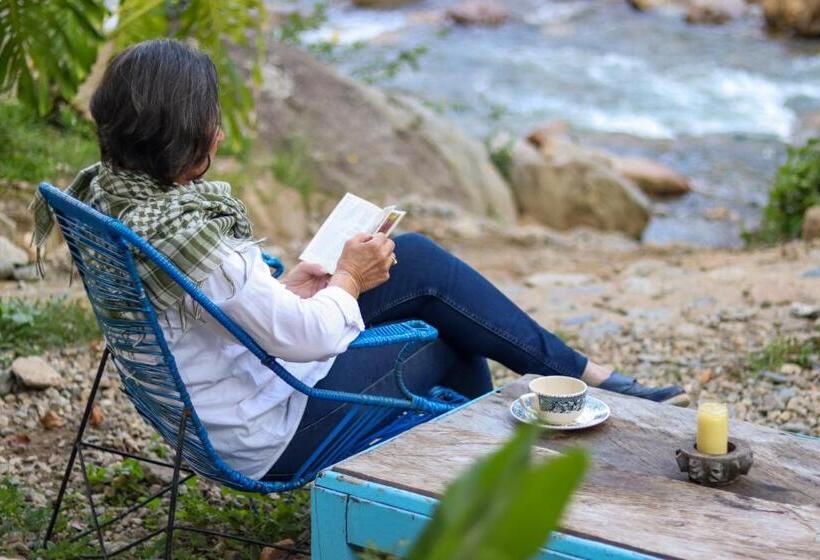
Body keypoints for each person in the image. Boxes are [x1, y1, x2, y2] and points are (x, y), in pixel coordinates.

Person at [33, 39, 687, 482]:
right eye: (211, 120)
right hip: (266, 433)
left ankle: (568, 393)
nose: (220, 133)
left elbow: (220, 312)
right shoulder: (189, 237)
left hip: (209, 406)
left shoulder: (110, 199)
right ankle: (494, 488)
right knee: (450, 338)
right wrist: (348, 278)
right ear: (182, 134)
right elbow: (301, 336)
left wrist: (295, 282)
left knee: (421, 267)